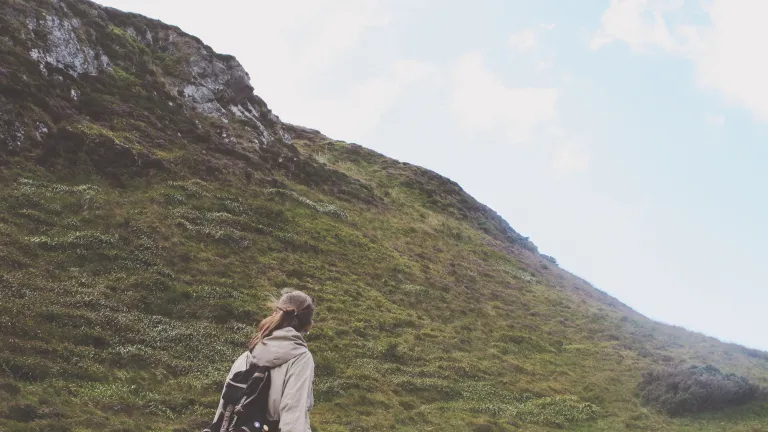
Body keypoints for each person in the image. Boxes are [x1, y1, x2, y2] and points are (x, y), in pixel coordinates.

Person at [213, 289, 316, 432]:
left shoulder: (249, 353)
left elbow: (223, 412)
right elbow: (293, 416)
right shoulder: (301, 358)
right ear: (309, 325)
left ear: (276, 313)